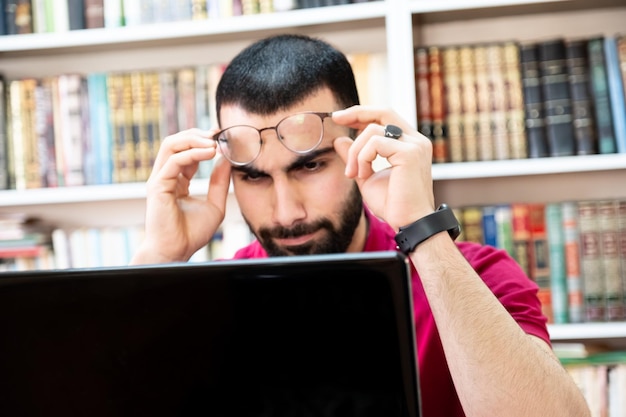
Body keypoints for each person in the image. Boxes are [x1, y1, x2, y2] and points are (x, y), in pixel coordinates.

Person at [131, 34, 590, 416]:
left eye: (310, 167)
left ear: (361, 144)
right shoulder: (211, 296)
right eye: (253, 177)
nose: (287, 213)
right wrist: (157, 261)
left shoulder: (478, 277)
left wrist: (421, 231)